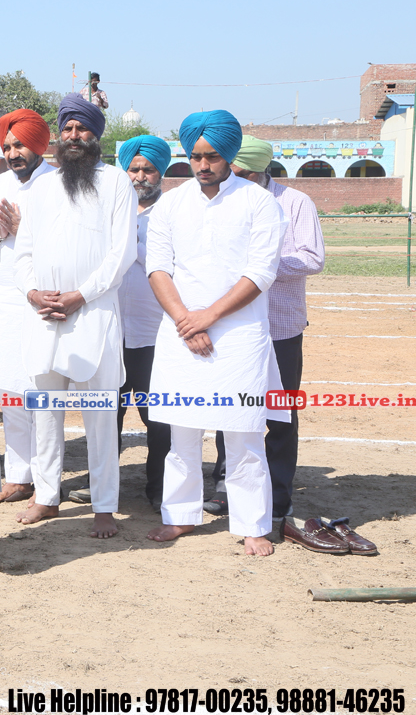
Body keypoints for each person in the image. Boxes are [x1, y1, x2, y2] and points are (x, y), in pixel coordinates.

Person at [145, 111, 286, 556]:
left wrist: (207, 317)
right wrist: (186, 320)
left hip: (240, 336)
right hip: (181, 332)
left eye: (212, 157)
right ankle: (180, 516)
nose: (203, 165)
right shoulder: (171, 203)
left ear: (229, 155)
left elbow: (260, 272)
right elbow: (157, 268)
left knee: (244, 434)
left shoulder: (259, 202)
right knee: (182, 435)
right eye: (195, 156)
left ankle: (252, 525)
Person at [12, 93, 136, 538]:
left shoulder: (116, 182)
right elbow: (23, 251)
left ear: (95, 134)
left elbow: (122, 253)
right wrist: (32, 292)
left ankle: (104, 505)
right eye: (67, 128)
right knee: (46, 412)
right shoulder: (42, 186)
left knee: (100, 417)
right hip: (45, 315)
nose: (73, 135)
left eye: (82, 128)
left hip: (93, 313)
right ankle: (46, 496)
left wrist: (80, 296)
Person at [205, 135, 325, 529]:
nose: (231, 179)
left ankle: (277, 495)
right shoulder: (223, 201)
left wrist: (261, 268)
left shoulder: (295, 202)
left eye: (239, 173)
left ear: (259, 172)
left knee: (279, 413)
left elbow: (312, 258)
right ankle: (226, 486)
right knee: (231, 407)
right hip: (234, 325)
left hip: (280, 327)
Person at [0, 109, 53, 504]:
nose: (11, 153)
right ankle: (19, 477)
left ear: (39, 145)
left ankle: (47, 481)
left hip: (41, 299)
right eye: (7, 146)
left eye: (19, 145)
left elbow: (68, 243)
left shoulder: (58, 184)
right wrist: (0, 232)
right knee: (7, 390)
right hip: (1, 298)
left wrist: (25, 232)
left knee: (40, 393)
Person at [114, 135, 173, 511]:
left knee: (159, 419)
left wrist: (127, 247)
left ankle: (160, 488)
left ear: (160, 172)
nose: (139, 176)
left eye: (148, 169)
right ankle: (104, 486)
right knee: (107, 417)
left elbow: (166, 263)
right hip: (112, 333)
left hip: (157, 334)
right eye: (133, 169)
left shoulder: (172, 213)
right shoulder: (111, 211)